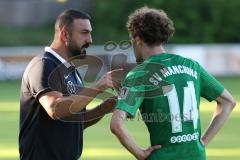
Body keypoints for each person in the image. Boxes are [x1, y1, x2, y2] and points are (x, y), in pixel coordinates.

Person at [110, 6, 236, 160]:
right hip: (196, 155)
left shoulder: (139, 74)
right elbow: (228, 102)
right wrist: (202, 142)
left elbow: (116, 124)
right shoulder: (191, 66)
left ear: (138, 39)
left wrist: (140, 154)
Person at [19, 9, 122, 160]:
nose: (90, 39)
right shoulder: (43, 65)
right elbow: (55, 109)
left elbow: (75, 123)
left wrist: (104, 108)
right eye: (84, 33)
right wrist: (97, 87)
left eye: (90, 33)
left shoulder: (72, 72)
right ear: (65, 34)